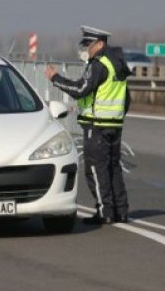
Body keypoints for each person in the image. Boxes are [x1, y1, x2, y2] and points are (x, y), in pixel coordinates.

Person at [44, 25, 131, 225]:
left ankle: (105, 212)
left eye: (88, 44)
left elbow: (80, 89)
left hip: (97, 126)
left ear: (99, 44)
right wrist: (116, 116)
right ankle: (121, 211)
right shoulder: (117, 63)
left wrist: (55, 78)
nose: (85, 48)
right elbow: (127, 98)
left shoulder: (98, 64)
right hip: (114, 125)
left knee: (95, 169)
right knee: (113, 168)